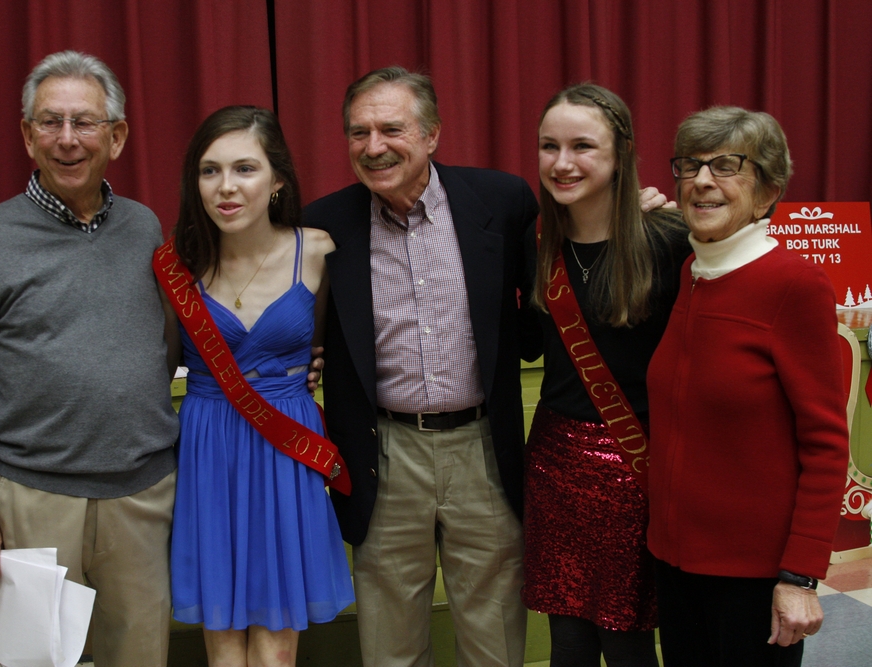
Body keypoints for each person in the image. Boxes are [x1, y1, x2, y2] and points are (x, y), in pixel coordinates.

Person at [0, 51, 180, 667]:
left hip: (144, 500)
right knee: (36, 663)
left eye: (85, 122)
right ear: (27, 135)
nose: (68, 139)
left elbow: (173, 348)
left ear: (117, 136)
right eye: (50, 122)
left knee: (141, 658)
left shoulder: (146, 229)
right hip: (33, 504)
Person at [302, 66, 539, 667]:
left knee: (495, 638)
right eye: (359, 133)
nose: (374, 147)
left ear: (432, 134)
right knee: (390, 644)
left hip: (482, 447)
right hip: (384, 454)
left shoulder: (503, 203)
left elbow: (549, 312)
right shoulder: (322, 226)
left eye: (391, 129)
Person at [646, 107, 851, 667]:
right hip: (675, 564)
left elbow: (827, 443)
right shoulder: (691, 271)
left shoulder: (794, 283)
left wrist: (800, 575)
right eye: (689, 166)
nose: (702, 180)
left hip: (755, 578)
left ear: (767, 193)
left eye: (727, 166)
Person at [163, 106, 354, 667]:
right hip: (207, 449)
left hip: (285, 446)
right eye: (209, 170)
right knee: (222, 639)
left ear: (277, 181)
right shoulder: (173, 263)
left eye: (245, 169)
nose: (226, 187)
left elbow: (348, 346)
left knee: (276, 645)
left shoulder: (318, 250)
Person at [521, 84, 689, 667]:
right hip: (552, 461)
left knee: (626, 637)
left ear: (621, 153)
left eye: (582, 146)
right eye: (549, 146)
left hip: (636, 462)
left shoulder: (669, 241)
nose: (562, 163)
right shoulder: (536, 243)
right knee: (565, 636)